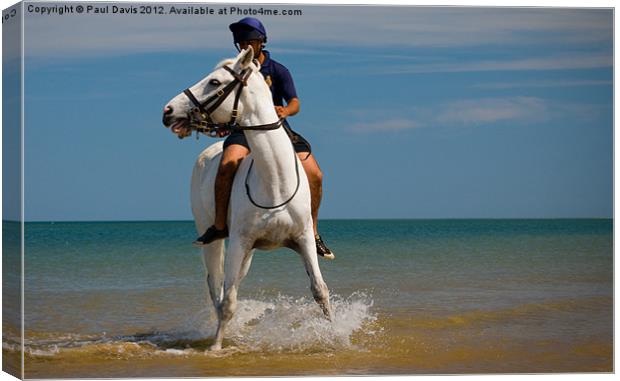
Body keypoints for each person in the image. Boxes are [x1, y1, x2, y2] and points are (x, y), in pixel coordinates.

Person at [193, 17, 334, 259]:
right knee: (227, 165)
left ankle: (313, 232)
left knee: (315, 174)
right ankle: (218, 226)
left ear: (262, 42)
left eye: (251, 41)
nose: (246, 46)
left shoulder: (277, 70)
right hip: (244, 131)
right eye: (242, 42)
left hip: (278, 131)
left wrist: (285, 110)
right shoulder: (234, 72)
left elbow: (295, 102)